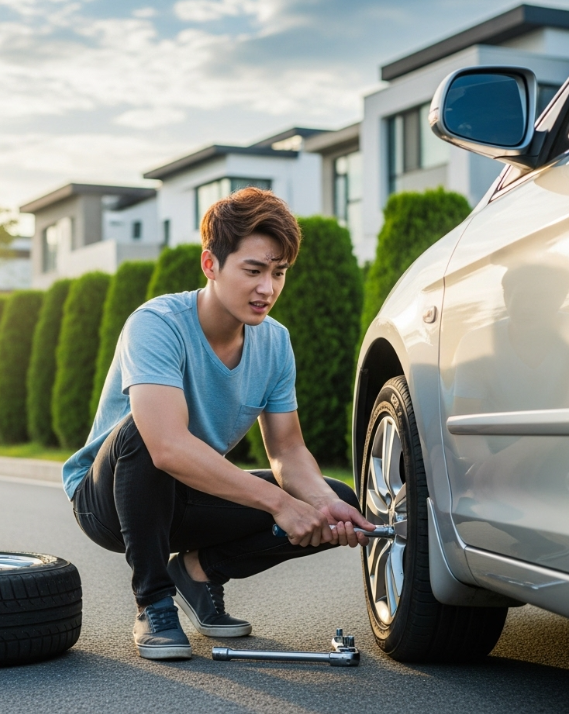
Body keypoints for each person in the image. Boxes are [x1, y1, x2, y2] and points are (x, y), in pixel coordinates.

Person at [63, 187, 373, 660]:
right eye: (253, 270)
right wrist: (278, 505)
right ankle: (154, 602)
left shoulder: (275, 343)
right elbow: (165, 446)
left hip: (191, 496)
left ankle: (199, 571)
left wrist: (325, 506)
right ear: (211, 265)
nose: (267, 288)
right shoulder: (157, 324)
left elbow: (287, 451)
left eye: (278, 273)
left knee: (335, 501)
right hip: (110, 499)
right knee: (142, 434)